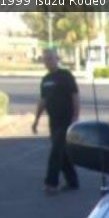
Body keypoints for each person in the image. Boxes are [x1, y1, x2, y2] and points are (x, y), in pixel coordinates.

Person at [32, 48, 80, 194]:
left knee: (56, 151)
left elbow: (75, 96)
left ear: (57, 59)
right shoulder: (45, 80)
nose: (48, 61)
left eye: (51, 58)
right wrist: (36, 120)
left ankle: (51, 183)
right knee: (62, 152)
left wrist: (75, 117)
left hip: (66, 119)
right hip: (54, 120)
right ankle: (73, 182)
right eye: (46, 59)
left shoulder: (65, 75)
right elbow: (43, 101)